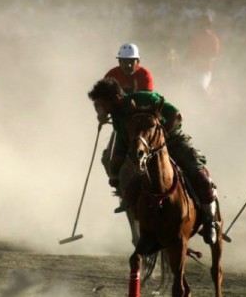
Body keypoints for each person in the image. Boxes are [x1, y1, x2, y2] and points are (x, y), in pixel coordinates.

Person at [87, 78, 221, 244]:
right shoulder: (116, 117)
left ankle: (210, 221)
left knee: (199, 175)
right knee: (126, 183)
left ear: (115, 99)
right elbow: (123, 142)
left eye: (102, 104)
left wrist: (161, 139)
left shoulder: (145, 98)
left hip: (173, 142)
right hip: (144, 152)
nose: (102, 109)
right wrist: (116, 167)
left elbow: (176, 115)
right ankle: (141, 218)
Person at [96, 43, 155, 213]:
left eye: (131, 61)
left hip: (141, 122)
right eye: (124, 61)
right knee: (108, 158)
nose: (128, 65)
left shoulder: (145, 75)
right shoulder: (111, 75)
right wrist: (101, 112)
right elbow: (99, 97)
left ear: (137, 61)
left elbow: (145, 101)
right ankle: (121, 191)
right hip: (121, 123)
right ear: (119, 61)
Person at [187, 13, 220, 94]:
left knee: (200, 89)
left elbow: (214, 57)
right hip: (193, 70)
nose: (203, 26)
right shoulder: (195, 38)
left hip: (205, 71)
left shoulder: (213, 39)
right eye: (202, 24)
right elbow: (191, 54)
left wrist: (203, 61)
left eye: (206, 24)